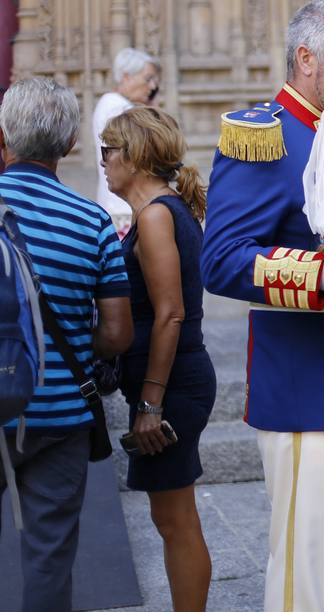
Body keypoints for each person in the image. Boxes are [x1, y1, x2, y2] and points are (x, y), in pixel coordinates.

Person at [201, 0, 324, 612]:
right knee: (309, 572)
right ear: (306, 59)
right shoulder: (265, 137)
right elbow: (221, 258)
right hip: (302, 379)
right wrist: (323, 273)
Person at [0, 77, 133, 611]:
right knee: (49, 553)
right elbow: (118, 333)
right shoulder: (91, 220)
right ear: (72, 143)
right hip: (60, 415)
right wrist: (74, 344)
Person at [101, 106, 215, 611]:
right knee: (171, 518)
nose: (103, 161)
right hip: (170, 381)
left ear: (136, 156)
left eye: (109, 150)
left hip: (170, 385)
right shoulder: (164, 210)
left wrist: (150, 403)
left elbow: (170, 314)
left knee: (175, 520)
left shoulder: (154, 215)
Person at [94, 47, 161, 236]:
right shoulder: (118, 107)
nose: (153, 86)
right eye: (148, 79)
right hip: (123, 208)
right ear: (126, 77)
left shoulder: (113, 104)